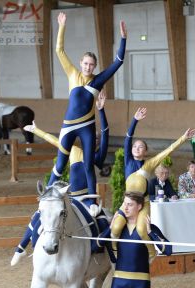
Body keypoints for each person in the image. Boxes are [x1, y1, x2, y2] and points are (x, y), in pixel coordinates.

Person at [11, 91, 113, 266]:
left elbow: (105, 132)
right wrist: (37, 130)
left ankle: (109, 257)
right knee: (38, 216)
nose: (95, 140)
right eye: (93, 138)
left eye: (97, 139)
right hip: (72, 197)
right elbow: (56, 141)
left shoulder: (97, 156)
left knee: (103, 221)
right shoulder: (74, 151)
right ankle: (22, 248)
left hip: (88, 199)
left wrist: (101, 111)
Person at [48, 12, 127, 217]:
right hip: (68, 125)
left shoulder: (98, 80)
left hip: (87, 127)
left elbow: (118, 61)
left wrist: (123, 39)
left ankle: (92, 202)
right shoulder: (73, 74)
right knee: (59, 164)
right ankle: (47, 193)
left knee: (88, 164)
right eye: (85, 63)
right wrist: (62, 27)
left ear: (95, 66)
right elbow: (59, 50)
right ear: (81, 63)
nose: (88, 67)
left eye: (91, 64)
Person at [111, 106, 195, 259]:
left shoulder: (149, 165)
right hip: (128, 202)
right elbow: (128, 138)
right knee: (115, 229)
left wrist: (183, 138)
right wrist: (135, 120)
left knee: (143, 231)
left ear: (145, 151)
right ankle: (116, 255)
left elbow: (167, 151)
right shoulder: (128, 161)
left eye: (140, 147)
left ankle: (152, 252)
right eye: (135, 146)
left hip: (143, 203)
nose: (137, 148)